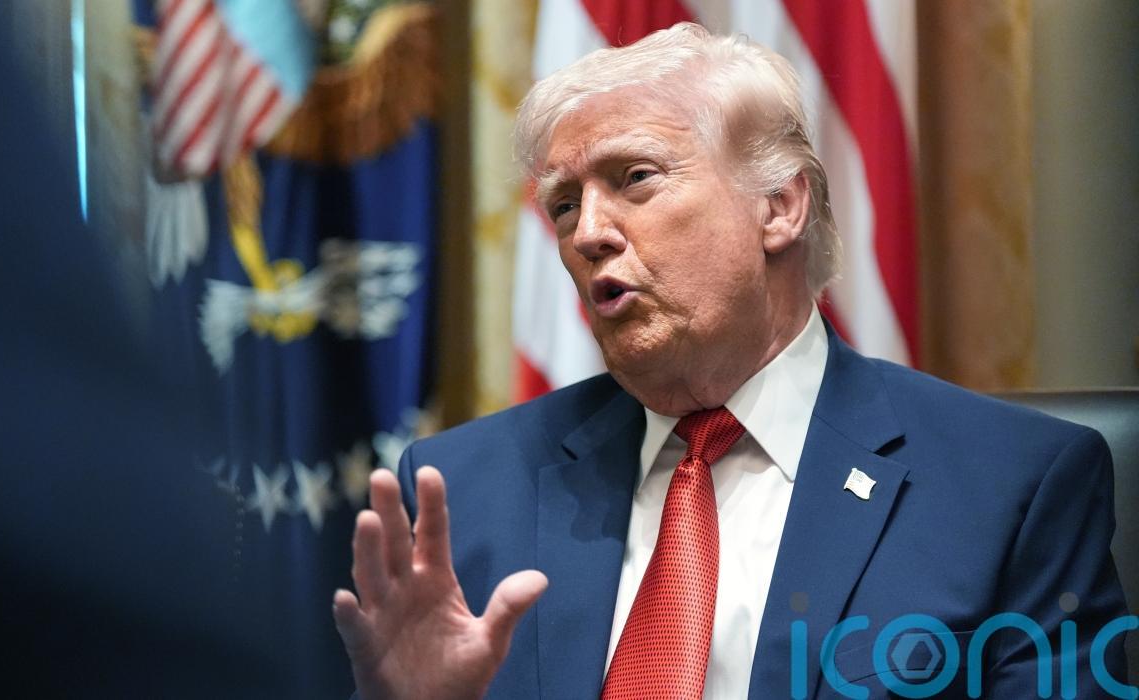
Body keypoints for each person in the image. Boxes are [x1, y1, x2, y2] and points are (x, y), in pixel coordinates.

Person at [332, 23, 1129, 699]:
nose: (587, 234)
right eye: (565, 205)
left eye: (634, 178)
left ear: (779, 206)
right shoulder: (462, 491)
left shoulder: (1010, 489)